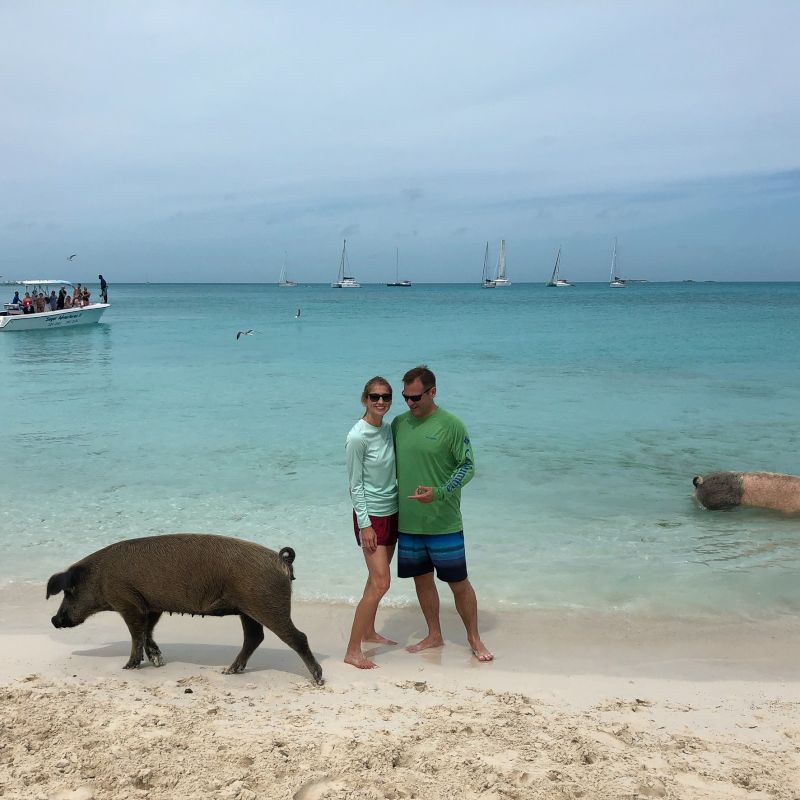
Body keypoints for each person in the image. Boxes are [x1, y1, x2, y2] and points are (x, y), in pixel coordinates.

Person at [391, 365, 493, 662]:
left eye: (415, 397)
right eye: (405, 397)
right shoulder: (398, 424)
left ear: (432, 392)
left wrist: (439, 491)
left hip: (444, 522)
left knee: (458, 583)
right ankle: (434, 634)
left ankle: (474, 638)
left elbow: (467, 466)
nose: (410, 403)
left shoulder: (452, 425)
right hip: (409, 522)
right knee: (421, 581)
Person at [344, 376, 399, 669]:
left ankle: (368, 631)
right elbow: (355, 485)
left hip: (392, 511)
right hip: (371, 517)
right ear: (364, 399)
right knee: (381, 582)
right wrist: (365, 524)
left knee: (374, 580)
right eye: (375, 396)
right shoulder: (357, 436)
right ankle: (353, 650)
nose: (381, 402)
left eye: (386, 397)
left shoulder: (388, 430)